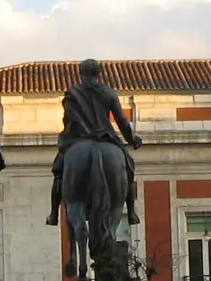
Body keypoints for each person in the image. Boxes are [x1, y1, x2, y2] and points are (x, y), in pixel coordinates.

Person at [47, 58, 143, 226]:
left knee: (59, 172)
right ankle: (132, 212)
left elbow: (68, 119)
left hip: (78, 139)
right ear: (100, 73)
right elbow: (121, 120)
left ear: (81, 73)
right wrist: (132, 139)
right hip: (105, 137)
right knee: (128, 169)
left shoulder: (72, 93)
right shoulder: (109, 93)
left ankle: (54, 213)